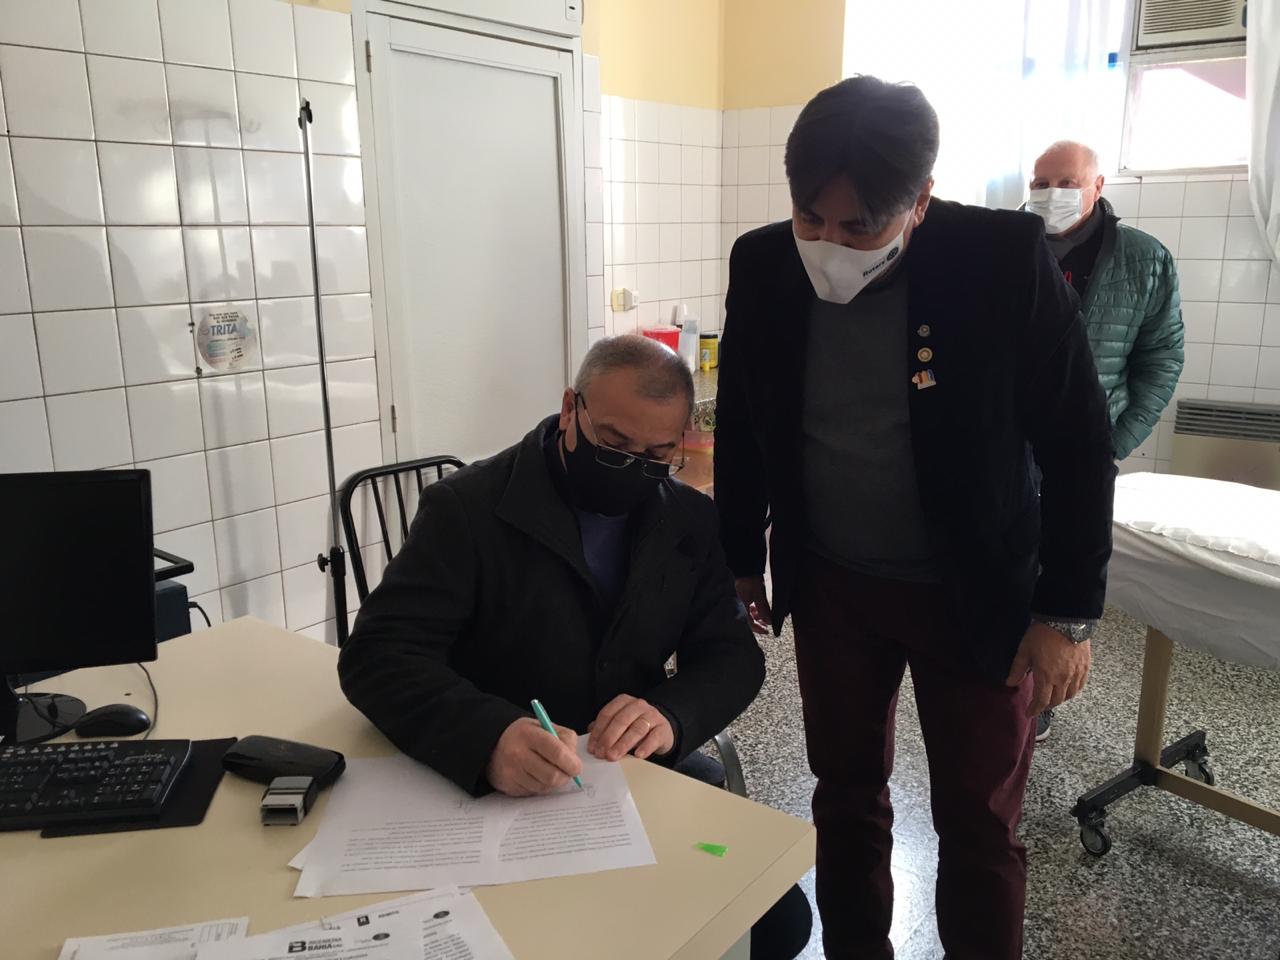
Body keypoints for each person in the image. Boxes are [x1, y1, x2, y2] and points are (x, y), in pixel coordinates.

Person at [714, 76, 1116, 960]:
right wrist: (740, 555)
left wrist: (1066, 613)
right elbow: (741, 416)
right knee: (845, 795)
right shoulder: (764, 262)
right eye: (811, 218)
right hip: (835, 585)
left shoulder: (1001, 260)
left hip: (972, 591)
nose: (829, 245)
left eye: (860, 227)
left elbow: (1080, 443)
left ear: (921, 201)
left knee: (977, 819)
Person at [338, 335, 811, 960]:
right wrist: (490, 736)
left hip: (623, 782)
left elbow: (732, 657)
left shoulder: (688, 520)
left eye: (658, 456)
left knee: (776, 922)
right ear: (570, 409)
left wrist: (670, 715)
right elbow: (378, 654)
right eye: (614, 445)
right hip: (492, 791)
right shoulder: (469, 508)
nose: (634, 468)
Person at [1027, 139, 1184, 741]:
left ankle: (1039, 698)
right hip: (1008, 446)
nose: (1051, 195)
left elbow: (1161, 357)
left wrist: (1115, 440)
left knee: (1064, 566)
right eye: (1040, 183)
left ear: (1097, 187)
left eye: (1066, 183)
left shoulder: (1143, 259)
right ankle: (998, 681)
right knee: (1007, 565)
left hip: (1084, 449)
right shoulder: (1005, 247)